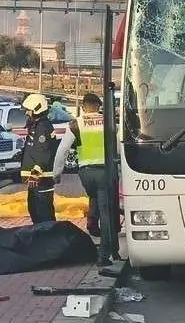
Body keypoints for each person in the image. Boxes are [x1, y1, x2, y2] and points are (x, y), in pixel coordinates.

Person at [53, 93, 118, 269]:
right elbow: (119, 145)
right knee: (106, 212)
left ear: (83, 107)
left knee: (94, 196)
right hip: (104, 171)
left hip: (85, 173)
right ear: (99, 106)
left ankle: (91, 219)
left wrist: (57, 173)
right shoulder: (108, 122)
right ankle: (104, 254)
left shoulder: (76, 124)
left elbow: (62, 150)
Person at [20, 93, 59, 224]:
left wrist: (35, 173)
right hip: (37, 180)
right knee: (35, 212)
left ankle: (50, 241)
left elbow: (43, 153)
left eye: (28, 110)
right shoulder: (37, 126)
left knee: (43, 215)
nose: (26, 113)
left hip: (41, 180)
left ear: (36, 109)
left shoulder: (42, 127)